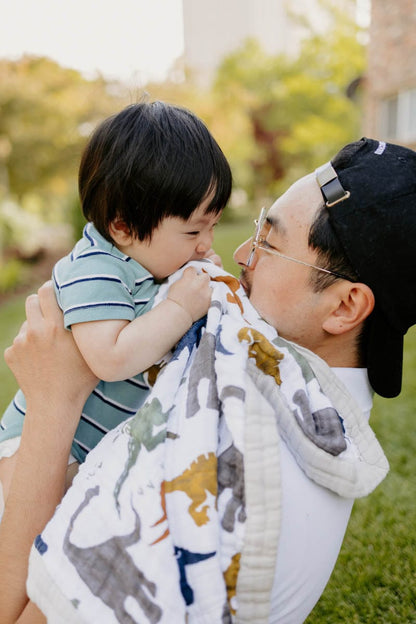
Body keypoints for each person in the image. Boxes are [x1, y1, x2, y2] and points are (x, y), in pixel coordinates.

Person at [0, 137, 415, 623]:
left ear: (344, 307)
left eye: (269, 243)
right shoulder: (297, 401)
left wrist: (53, 402)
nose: (240, 253)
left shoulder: (224, 472)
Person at [0, 100, 232, 471]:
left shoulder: (146, 262)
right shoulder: (94, 269)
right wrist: (180, 307)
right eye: (193, 231)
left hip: (90, 450)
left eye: (213, 226)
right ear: (122, 227)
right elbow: (111, 359)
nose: (206, 243)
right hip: (36, 448)